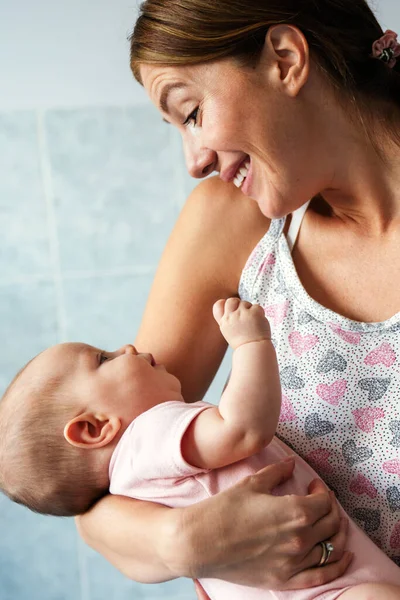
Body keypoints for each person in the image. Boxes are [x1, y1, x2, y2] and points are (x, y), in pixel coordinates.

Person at [74, 1, 400, 597]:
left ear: (285, 59)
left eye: (192, 113)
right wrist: (190, 542)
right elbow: (94, 492)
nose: (193, 160)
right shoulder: (232, 223)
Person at [0, 299, 399, 599]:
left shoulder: (133, 480)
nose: (125, 347)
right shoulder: (150, 434)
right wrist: (251, 342)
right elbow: (242, 430)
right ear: (93, 429)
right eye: (103, 359)